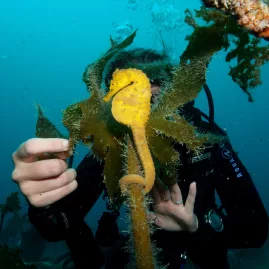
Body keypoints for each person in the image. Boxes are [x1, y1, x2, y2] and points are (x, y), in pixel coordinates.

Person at [11, 48, 268, 269]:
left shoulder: (206, 138)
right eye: (124, 102)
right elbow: (57, 227)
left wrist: (197, 226)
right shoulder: (112, 145)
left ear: (174, 98)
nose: (141, 116)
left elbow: (256, 231)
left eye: (152, 101)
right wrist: (44, 201)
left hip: (203, 252)